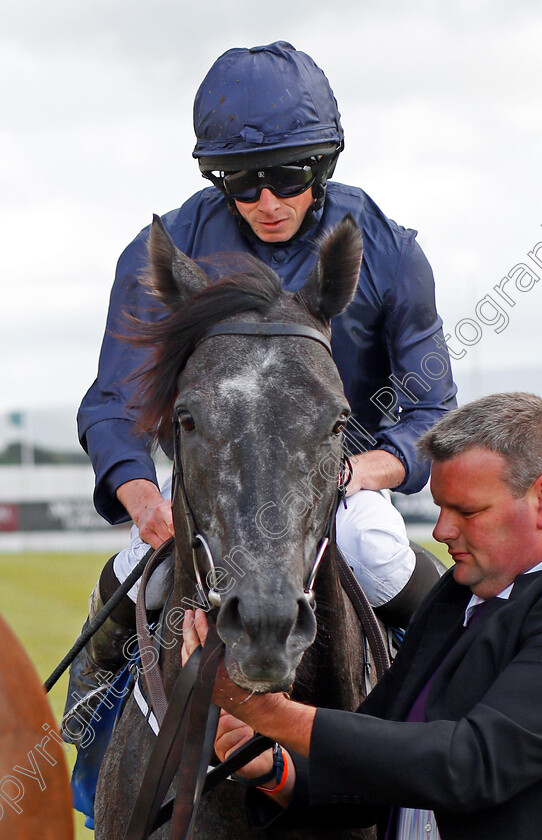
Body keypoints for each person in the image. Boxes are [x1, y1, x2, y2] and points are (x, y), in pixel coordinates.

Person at [64, 41, 456, 728]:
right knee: (139, 580)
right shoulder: (165, 248)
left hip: (333, 476)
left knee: (380, 556)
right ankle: (94, 744)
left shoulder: (389, 250)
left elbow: (430, 406)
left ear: (324, 165)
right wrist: (140, 499)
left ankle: (456, 706)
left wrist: (366, 467)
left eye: (287, 175)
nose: (266, 201)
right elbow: (114, 403)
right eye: (241, 183)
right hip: (208, 480)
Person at [185, 391, 542, 839]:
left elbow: (468, 764)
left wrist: (267, 713)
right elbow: (375, 770)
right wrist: (274, 769)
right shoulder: (452, 598)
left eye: (468, 511)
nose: (440, 531)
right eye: (441, 509)